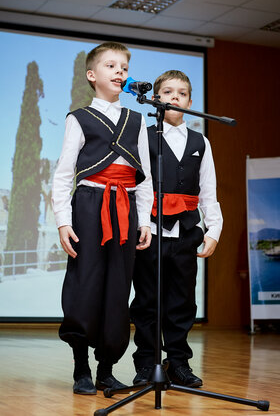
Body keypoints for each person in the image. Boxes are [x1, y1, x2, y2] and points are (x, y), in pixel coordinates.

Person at [52, 42, 153, 395]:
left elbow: (145, 174)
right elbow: (65, 174)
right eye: (111, 66)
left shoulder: (137, 120)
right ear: (92, 76)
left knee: (117, 286)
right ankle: (82, 367)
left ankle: (106, 369)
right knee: (85, 283)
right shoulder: (78, 118)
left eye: (124, 67)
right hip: (90, 204)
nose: (120, 72)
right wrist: (64, 221)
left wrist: (147, 221)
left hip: (126, 205)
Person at [130, 70, 223, 388]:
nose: (175, 98)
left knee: (182, 300)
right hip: (151, 232)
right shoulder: (145, 136)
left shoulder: (201, 142)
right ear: (156, 99)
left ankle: (178, 362)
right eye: (168, 92)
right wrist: (142, 223)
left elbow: (208, 190)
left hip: (186, 233)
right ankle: (145, 363)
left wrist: (213, 230)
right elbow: (138, 186)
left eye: (182, 93)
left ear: (190, 102)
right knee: (146, 301)